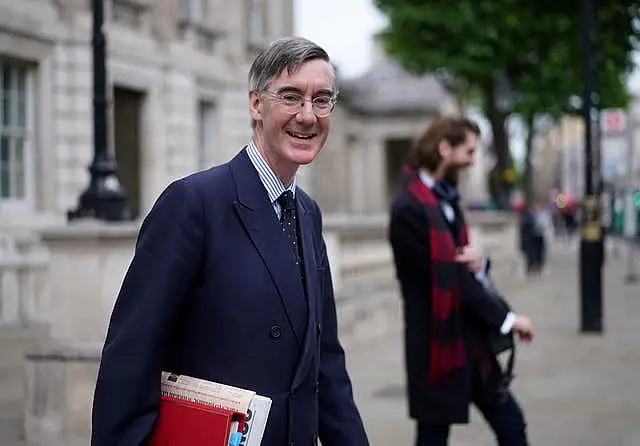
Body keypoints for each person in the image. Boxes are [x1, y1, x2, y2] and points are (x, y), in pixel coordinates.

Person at [91, 36, 369, 446]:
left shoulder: (308, 213)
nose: (308, 116)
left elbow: (324, 364)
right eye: (291, 97)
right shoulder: (192, 203)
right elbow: (131, 356)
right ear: (256, 104)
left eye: (322, 100)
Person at [387, 116, 534, 446]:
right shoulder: (408, 208)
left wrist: (480, 262)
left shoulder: (447, 197)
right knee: (433, 436)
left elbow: (462, 267)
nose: (473, 158)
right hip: (437, 343)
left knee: (511, 423)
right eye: (469, 150)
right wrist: (507, 319)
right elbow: (448, 278)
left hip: (469, 339)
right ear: (444, 149)